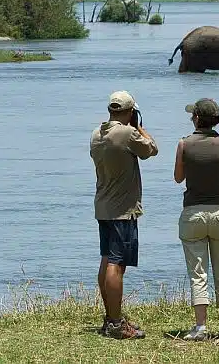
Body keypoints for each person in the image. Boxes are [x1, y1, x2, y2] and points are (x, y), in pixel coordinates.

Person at [90, 90, 159, 339]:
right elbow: (152, 149)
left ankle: (111, 318)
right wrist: (139, 127)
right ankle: (117, 324)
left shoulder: (97, 134)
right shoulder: (128, 133)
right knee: (117, 265)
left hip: (103, 205)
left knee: (107, 259)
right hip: (122, 209)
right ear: (130, 111)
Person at [173, 98, 219, 341]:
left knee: (198, 272)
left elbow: (178, 177)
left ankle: (200, 326)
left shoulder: (183, 144)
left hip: (193, 212)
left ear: (197, 119)